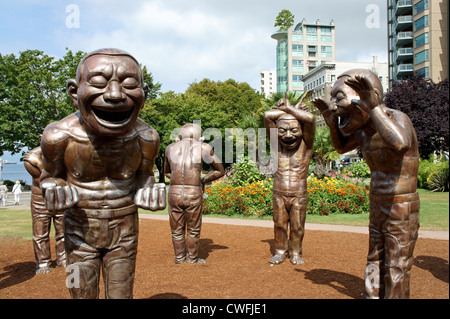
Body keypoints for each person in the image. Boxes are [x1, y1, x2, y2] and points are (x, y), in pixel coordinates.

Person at [39, 48, 164, 299]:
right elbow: (49, 176)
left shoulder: (147, 138)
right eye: (98, 82)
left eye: (129, 85)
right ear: (74, 92)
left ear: (144, 93)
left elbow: (144, 175)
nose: (115, 95)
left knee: (121, 294)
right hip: (78, 230)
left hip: (125, 229)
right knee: (80, 293)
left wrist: (148, 189)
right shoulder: (58, 136)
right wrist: (54, 188)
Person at [312, 69, 420, 299]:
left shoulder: (397, 119)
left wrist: (374, 108)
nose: (333, 106)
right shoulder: (363, 132)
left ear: (367, 95)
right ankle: (373, 295)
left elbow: (400, 143)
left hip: (400, 204)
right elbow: (341, 148)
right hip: (377, 202)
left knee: (397, 263)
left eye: (339, 97)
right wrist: (332, 125)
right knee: (375, 257)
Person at [264, 95, 316, 265]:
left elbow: (310, 119)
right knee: (279, 225)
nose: (287, 135)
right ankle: (280, 252)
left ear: (302, 131)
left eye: (294, 130)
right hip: (279, 193)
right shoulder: (275, 146)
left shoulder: (306, 147)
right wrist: (284, 110)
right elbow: (267, 116)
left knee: (297, 227)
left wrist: (289, 109)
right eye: (282, 130)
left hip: (298, 193)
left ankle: (295, 253)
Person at [164, 123, 225, 264]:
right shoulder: (204, 147)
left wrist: (178, 180)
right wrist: (202, 180)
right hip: (193, 193)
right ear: (200, 137)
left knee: (176, 229)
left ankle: (179, 258)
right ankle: (192, 258)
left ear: (180, 136)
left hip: (174, 193)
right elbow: (219, 170)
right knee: (193, 229)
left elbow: (167, 172)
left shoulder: (170, 148)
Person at [24, 146, 66, 274]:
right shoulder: (31, 158)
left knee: (63, 231)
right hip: (40, 199)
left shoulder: (66, 151)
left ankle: (63, 259)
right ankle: (43, 262)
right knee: (40, 233)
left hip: (61, 197)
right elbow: (42, 180)